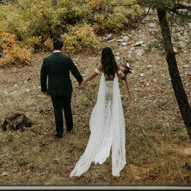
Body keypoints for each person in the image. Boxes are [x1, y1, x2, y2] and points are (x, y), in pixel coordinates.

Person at [70, 47, 129, 178]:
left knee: (104, 108)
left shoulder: (102, 65)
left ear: (103, 55)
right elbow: (122, 77)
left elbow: (93, 75)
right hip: (113, 91)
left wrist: (84, 81)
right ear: (112, 54)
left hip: (105, 91)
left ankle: (103, 125)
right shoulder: (116, 64)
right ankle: (111, 126)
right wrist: (126, 72)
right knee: (112, 108)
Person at [40, 37, 83, 139]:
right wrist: (80, 81)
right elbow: (75, 71)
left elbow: (43, 76)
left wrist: (44, 89)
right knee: (67, 107)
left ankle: (59, 132)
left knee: (57, 110)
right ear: (62, 48)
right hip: (66, 87)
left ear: (53, 47)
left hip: (53, 88)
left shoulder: (47, 60)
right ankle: (69, 127)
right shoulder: (66, 59)